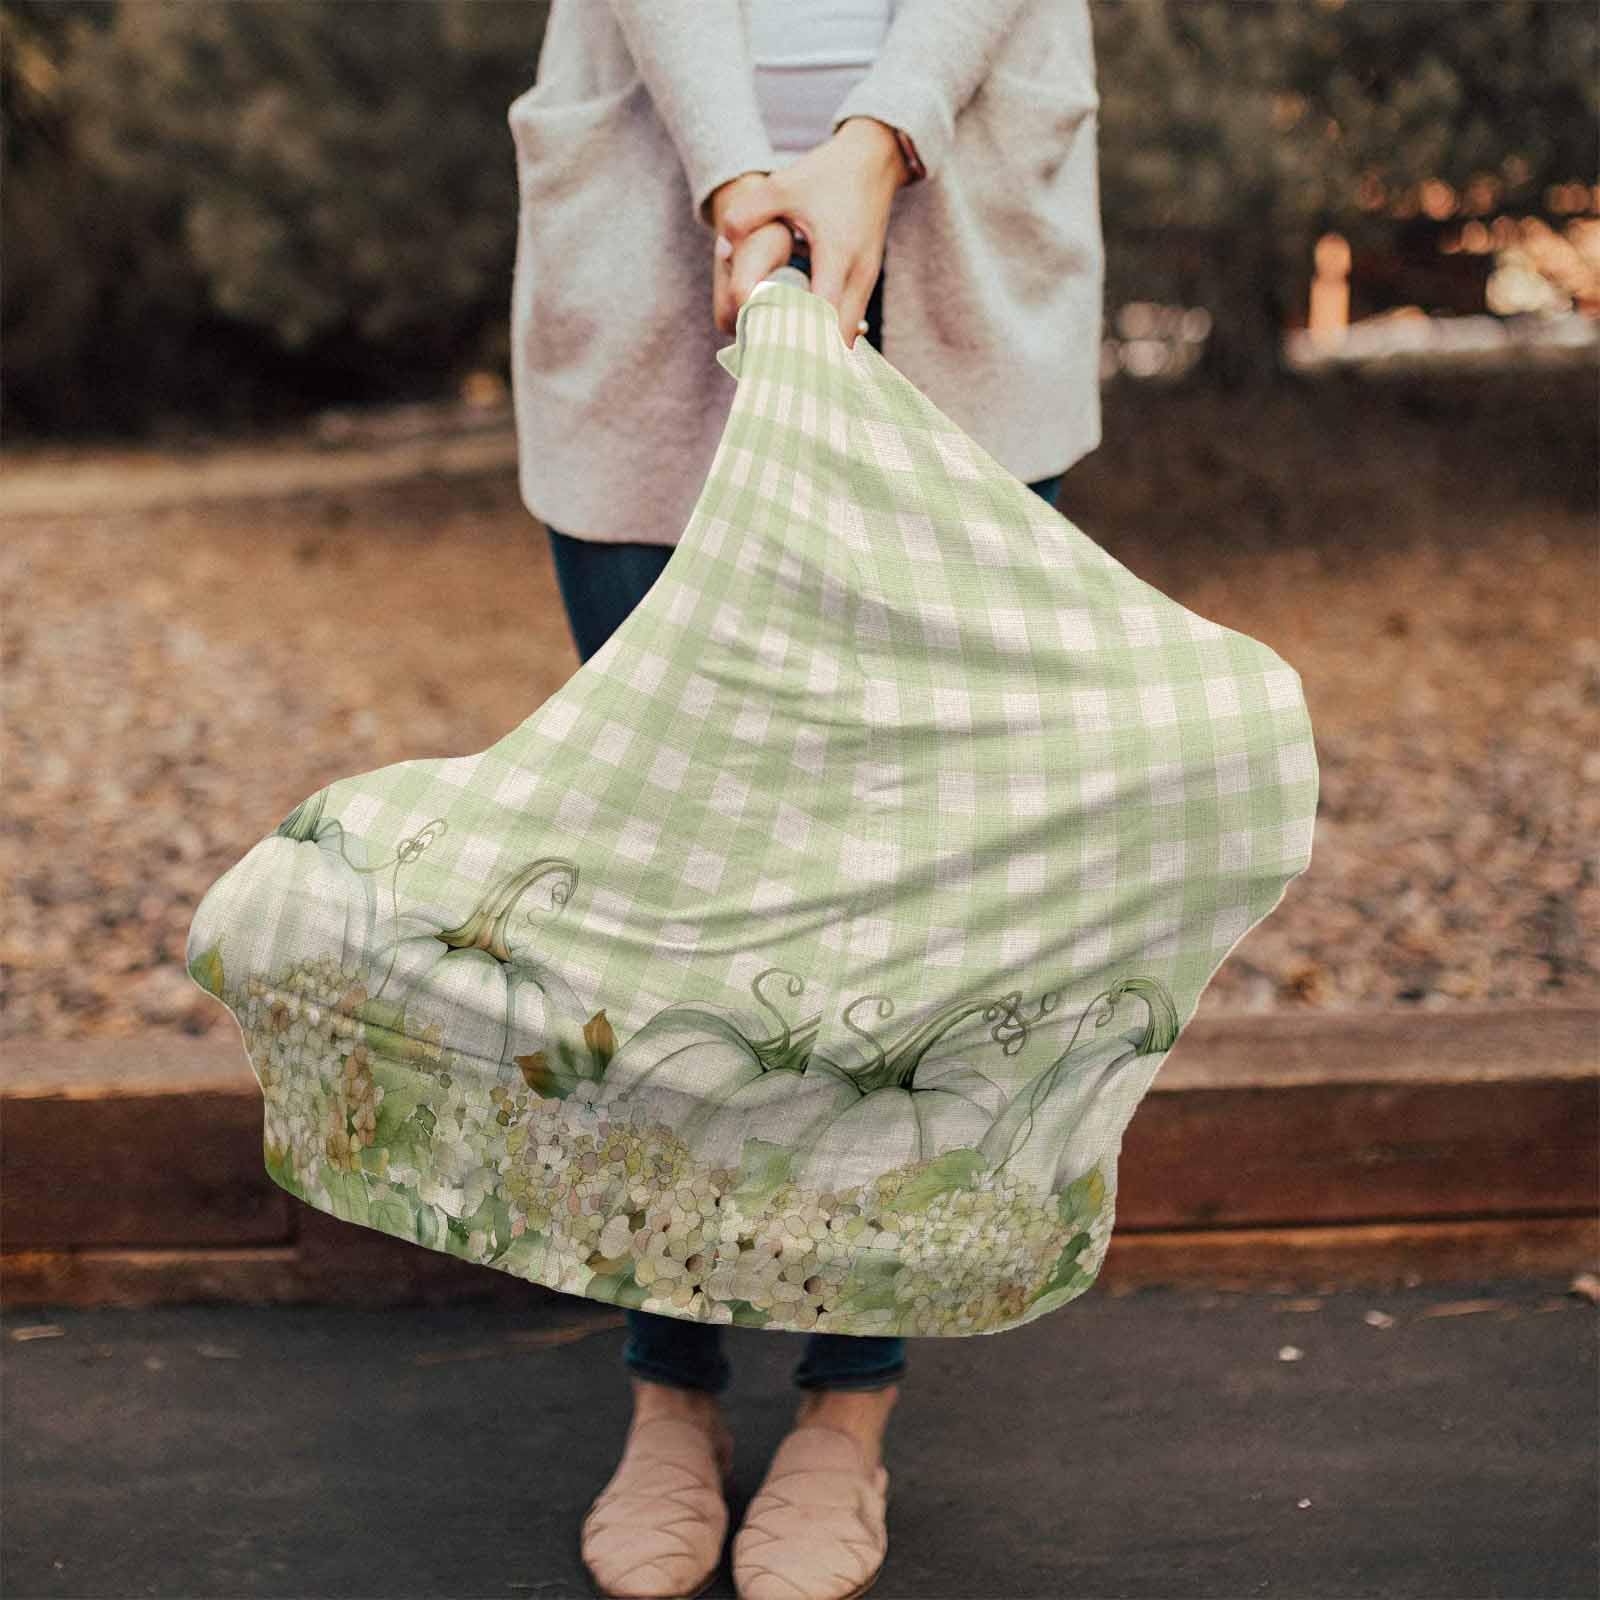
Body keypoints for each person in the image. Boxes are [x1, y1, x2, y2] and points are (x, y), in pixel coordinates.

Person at [505, 4, 1104, 1596]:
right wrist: (733, 176)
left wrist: (878, 136)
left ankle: (848, 1403)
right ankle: (670, 1388)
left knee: (908, 891)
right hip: (655, 220)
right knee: (661, 881)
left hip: (959, 220)